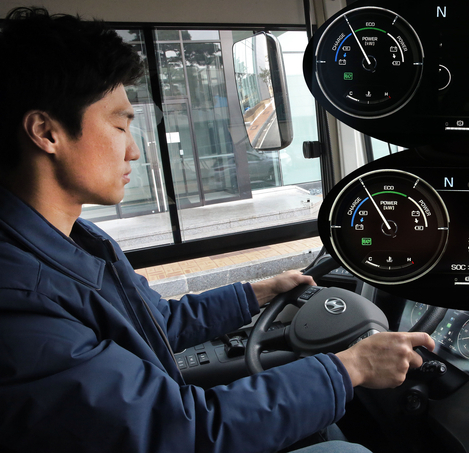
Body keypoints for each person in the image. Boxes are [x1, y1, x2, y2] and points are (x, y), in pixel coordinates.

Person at [0, 7, 435, 453]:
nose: (133, 150)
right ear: (46, 133)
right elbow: (182, 431)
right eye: (118, 125)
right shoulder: (19, 301)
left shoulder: (79, 240)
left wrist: (257, 293)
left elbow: (155, 322)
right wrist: (349, 369)